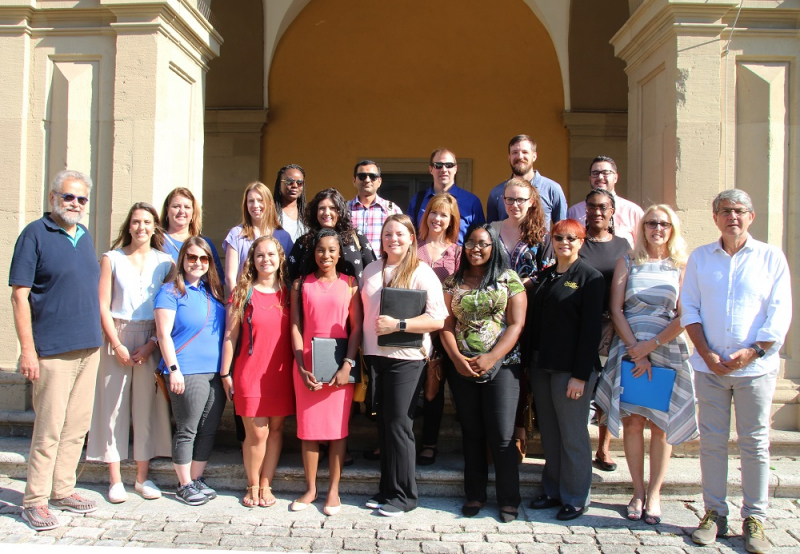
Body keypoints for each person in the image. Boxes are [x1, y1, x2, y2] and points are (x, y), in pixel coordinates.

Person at [682, 190, 792, 553]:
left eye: (740, 211)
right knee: (712, 442)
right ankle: (714, 512)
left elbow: (780, 312)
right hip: (709, 366)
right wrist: (707, 354)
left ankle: (755, 517)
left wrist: (753, 351)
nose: (733, 216)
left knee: (755, 443)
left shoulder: (771, 258)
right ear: (715, 217)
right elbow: (690, 310)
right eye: (726, 211)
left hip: (755, 369)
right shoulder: (701, 258)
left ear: (751, 216)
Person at [11, 170, 103, 530]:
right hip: (52, 350)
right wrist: (27, 351)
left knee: (76, 427)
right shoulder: (34, 234)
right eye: (68, 197)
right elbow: (19, 295)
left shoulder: (83, 235)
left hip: (88, 347)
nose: (75, 204)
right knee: (48, 429)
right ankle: (34, 500)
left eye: (81, 199)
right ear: (53, 198)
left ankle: (63, 488)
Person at [595, 205, 697, 525]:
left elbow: (685, 315)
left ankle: (655, 493)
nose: (657, 228)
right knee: (634, 422)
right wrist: (634, 348)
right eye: (651, 222)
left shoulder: (681, 266)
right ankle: (637, 491)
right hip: (628, 348)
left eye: (664, 224)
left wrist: (651, 346)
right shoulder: (628, 261)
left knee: (661, 426)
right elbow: (616, 308)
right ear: (642, 227)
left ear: (672, 229)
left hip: (666, 349)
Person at [361, 214, 448, 517]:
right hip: (375, 356)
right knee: (384, 424)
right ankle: (387, 489)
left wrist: (399, 323)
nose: (393, 239)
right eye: (387, 234)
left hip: (406, 359)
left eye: (400, 234)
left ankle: (405, 496)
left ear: (412, 238)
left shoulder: (422, 272)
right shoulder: (371, 269)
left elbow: (438, 318)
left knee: (399, 424)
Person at [86, 203, 173, 503]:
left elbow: (168, 308)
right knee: (114, 405)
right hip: (117, 335)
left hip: (151, 338)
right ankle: (114, 479)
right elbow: (102, 305)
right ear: (129, 225)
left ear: (155, 227)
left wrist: (151, 344)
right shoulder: (112, 258)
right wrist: (118, 344)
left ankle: (141, 477)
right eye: (136, 222)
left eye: (147, 222)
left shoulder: (165, 262)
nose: (141, 227)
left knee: (146, 407)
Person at [441, 223, 526, 522]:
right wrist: (456, 359)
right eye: (471, 243)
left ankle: (508, 499)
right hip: (462, 367)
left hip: (503, 366)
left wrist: (491, 357)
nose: (476, 249)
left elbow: (516, 324)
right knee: (472, 433)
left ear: (494, 248)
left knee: (501, 436)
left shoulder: (509, 280)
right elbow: (446, 325)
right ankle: (475, 495)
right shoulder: (453, 282)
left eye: (483, 244)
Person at [525, 219, 604, 521]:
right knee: (551, 435)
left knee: (572, 434)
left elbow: (590, 331)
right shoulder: (545, 276)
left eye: (572, 238)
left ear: (582, 242)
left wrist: (580, 375)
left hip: (571, 371)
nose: (565, 243)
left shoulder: (589, 278)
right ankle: (552, 490)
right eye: (559, 237)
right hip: (541, 366)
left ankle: (575, 497)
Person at [290, 229, 363, 516]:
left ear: (340, 253)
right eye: (321, 250)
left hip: (339, 366)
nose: (326, 256)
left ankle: (333, 490)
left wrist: (348, 364)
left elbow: (355, 328)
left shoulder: (350, 284)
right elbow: (295, 327)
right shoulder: (300, 284)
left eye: (332, 250)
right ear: (314, 252)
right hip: (307, 364)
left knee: (337, 431)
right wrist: (300, 364)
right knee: (308, 431)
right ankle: (310, 489)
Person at [219, 236, 295, 508]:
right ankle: (252, 484)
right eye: (260, 255)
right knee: (257, 433)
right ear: (252, 260)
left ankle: (266, 484)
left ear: (280, 258)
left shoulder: (289, 292)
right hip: (250, 371)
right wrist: (225, 373)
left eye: (271, 254)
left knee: (275, 430)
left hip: (280, 372)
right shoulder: (243, 292)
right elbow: (230, 335)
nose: (266, 260)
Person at [154, 237, 227, 506]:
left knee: (208, 428)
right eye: (192, 257)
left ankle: (195, 478)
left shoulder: (213, 292)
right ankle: (183, 483)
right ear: (183, 259)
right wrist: (173, 370)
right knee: (188, 429)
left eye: (204, 258)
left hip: (214, 371)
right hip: (187, 370)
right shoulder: (171, 292)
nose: (198, 263)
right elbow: (163, 334)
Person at [490, 177, 555, 461]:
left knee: (522, 374)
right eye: (509, 199)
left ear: (531, 202)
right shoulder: (489, 230)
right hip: (492, 316)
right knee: (496, 372)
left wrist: (515, 288)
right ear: (501, 201)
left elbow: (547, 273)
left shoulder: (543, 235)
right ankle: (494, 435)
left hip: (530, 313)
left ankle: (519, 433)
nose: (514, 204)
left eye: (520, 199)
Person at [578, 188, 630, 472]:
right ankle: (580, 446)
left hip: (613, 326)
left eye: (602, 207)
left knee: (609, 385)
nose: (597, 212)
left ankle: (604, 447)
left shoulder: (623, 246)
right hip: (580, 326)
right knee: (581, 385)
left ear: (612, 211)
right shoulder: (577, 242)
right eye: (592, 206)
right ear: (585, 210)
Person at [415, 193, 462, 466]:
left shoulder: (456, 253)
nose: (437, 218)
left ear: (451, 220)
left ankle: (429, 443)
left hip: (442, 330)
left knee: (433, 388)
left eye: (444, 214)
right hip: (412, 328)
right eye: (434, 212)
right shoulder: (414, 247)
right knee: (407, 389)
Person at [288, 188, 376, 284]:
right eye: (322, 208)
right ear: (315, 212)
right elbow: (289, 276)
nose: (326, 213)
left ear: (340, 211)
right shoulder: (304, 242)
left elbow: (374, 272)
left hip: (352, 297)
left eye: (332, 208)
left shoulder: (356, 237)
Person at [224, 181, 293, 294]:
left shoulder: (283, 236)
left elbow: (288, 275)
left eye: (260, 200)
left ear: (270, 203)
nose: (255, 205)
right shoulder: (236, 234)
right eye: (251, 201)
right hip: (244, 300)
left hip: (275, 301)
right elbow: (230, 277)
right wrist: (237, 304)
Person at [487, 135, 567, 228]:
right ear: (509, 157)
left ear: (534, 156)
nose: (520, 156)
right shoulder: (497, 193)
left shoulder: (552, 189)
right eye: (514, 152)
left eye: (525, 152)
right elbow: (491, 232)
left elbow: (562, 228)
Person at [408, 148, 484, 244]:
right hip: (424, 257)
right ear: (431, 169)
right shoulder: (418, 200)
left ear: (455, 169)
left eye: (449, 165)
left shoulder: (472, 201)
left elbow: (479, 238)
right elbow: (409, 235)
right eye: (438, 165)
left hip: (460, 258)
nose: (444, 170)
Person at [567, 156, 644, 247]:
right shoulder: (574, 212)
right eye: (595, 173)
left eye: (606, 173)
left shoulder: (632, 211)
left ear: (615, 177)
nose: (600, 177)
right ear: (590, 178)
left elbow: (643, 245)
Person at [160, 187, 225, 286]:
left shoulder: (205, 243)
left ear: (193, 213)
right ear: (167, 210)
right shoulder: (157, 241)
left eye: (187, 207)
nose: (182, 211)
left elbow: (217, 282)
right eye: (176, 206)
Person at [348, 160, 402, 253]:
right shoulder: (344, 210)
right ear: (354, 181)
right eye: (362, 176)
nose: (367, 180)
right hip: (351, 266)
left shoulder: (393, 210)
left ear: (379, 181)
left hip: (382, 266)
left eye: (373, 177)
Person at [273, 164, 308, 242]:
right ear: (279, 184)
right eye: (289, 182)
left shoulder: (308, 215)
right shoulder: (270, 212)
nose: (295, 185)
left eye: (299, 183)